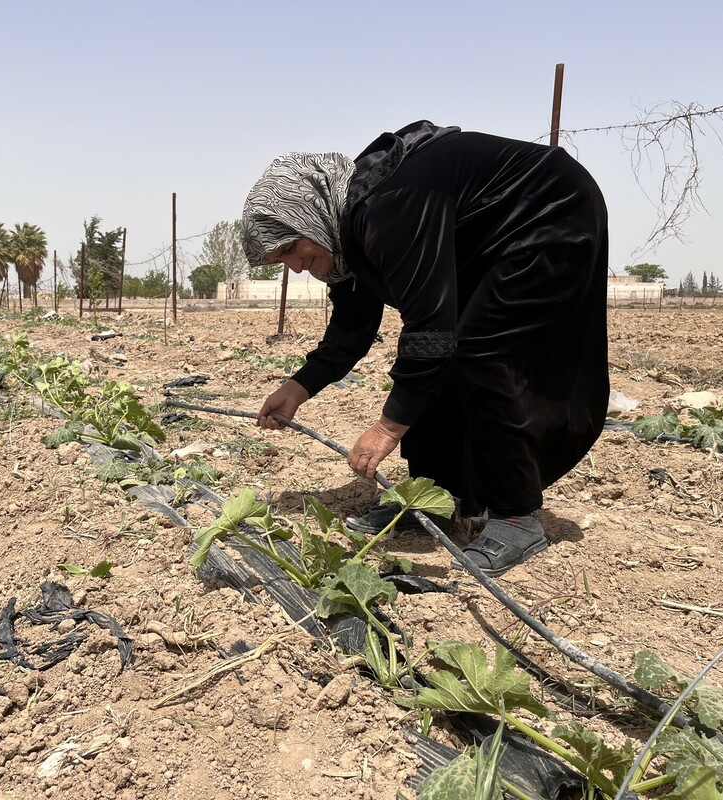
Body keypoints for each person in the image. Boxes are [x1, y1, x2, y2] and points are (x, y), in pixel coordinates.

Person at [242, 120, 609, 577]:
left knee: (480, 354)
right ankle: (436, 498)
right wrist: (298, 388)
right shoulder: (345, 235)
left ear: (309, 215)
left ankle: (515, 515)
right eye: (281, 262)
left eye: (290, 250)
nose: (295, 268)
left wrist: (388, 427)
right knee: (442, 357)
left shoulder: (388, 208)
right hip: (490, 238)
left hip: (548, 210)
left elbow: (430, 327)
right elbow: (353, 326)